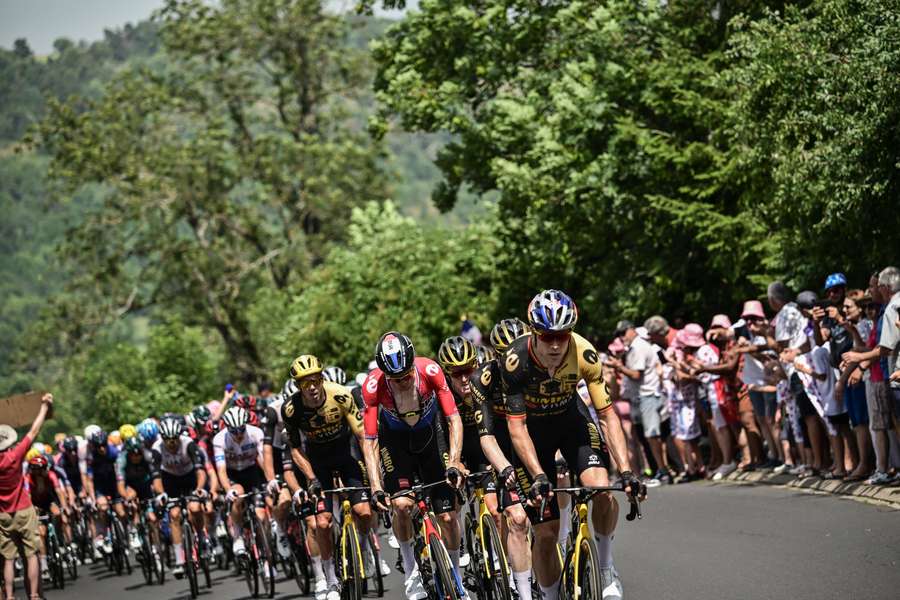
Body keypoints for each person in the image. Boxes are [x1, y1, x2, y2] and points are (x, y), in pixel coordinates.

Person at [502, 290, 643, 600]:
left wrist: (627, 470)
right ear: (534, 332)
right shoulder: (515, 361)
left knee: (601, 489)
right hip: (533, 433)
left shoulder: (584, 353)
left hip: (570, 421)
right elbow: (517, 426)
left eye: (563, 336)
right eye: (548, 336)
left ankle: (606, 568)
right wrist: (539, 474)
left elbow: (607, 415)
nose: (555, 344)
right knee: (546, 532)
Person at [362, 331, 466, 600]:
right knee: (402, 505)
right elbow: (370, 440)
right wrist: (375, 485)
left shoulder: (430, 370)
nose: (402, 381)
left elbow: (453, 419)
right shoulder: (374, 387)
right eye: (395, 379)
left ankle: (456, 575)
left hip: (432, 438)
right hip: (395, 444)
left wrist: (454, 461)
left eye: (406, 374)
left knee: (448, 516)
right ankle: (410, 570)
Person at [282, 354, 373, 600]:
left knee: (364, 512)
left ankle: (363, 550)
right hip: (318, 463)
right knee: (322, 522)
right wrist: (311, 478)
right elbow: (295, 449)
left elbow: (363, 435)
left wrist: (372, 472)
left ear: (322, 378)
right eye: (304, 383)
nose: (311, 387)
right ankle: (331, 579)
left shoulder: (341, 394)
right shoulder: (291, 409)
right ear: (298, 386)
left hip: (345, 456)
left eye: (315, 380)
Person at [472, 318, 533, 600]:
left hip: (536, 438)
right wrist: (503, 466)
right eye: (504, 353)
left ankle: (560, 540)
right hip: (503, 446)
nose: (514, 358)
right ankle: (523, 592)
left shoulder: (540, 369)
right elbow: (487, 434)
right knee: (516, 518)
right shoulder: (483, 379)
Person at [0, 392, 52, 600]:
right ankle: (33, 595)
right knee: (31, 554)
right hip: (23, 509)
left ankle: (10, 596)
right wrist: (44, 407)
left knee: (8, 559)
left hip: (3, 515)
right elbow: (34, 430)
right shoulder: (15, 455)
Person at [608, 319, 669, 484]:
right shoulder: (634, 347)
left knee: (652, 436)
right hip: (639, 397)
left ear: (631, 330)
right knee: (645, 437)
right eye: (619, 335)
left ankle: (663, 472)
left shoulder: (639, 346)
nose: (622, 337)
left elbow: (636, 374)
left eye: (623, 333)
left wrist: (618, 366)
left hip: (647, 395)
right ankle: (658, 471)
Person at [152, 417, 208, 579]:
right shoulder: (157, 448)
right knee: (174, 515)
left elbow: (200, 471)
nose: (172, 443)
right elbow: (156, 477)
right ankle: (179, 560)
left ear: (179, 436)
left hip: (190, 477)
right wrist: (161, 494)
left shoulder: (188, 443)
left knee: (195, 508)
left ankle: (202, 538)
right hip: (171, 480)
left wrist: (199, 489)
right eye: (168, 440)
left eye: (174, 439)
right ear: (162, 439)